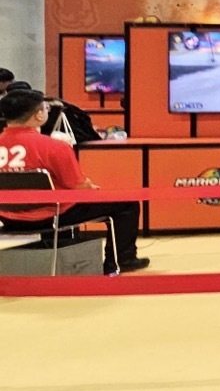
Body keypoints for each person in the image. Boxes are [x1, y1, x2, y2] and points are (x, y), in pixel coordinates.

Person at [0, 88, 145, 274]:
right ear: (38, 115)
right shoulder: (55, 146)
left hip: (6, 216)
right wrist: (91, 188)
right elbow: (77, 186)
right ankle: (121, 260)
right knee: (127, 204)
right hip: (51, 215)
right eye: (46, 108)